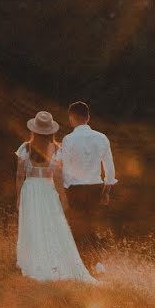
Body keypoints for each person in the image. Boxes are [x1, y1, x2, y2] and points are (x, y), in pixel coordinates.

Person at [15, 111, 97, 283]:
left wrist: (18, 196)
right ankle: (53, 262)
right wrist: (63, 198)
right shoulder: (57, 149)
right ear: (50, 131)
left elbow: (19, 175)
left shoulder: (25, 148)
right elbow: (58, 177)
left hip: (30, 189)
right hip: (48, 189)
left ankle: (34, 262)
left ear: (34, 130)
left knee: (33, 225)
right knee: (52, 226)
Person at [57, 101, 117, 262]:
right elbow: (109, 168)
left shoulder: (68, 139)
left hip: (75, 188)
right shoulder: (102, 138)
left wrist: (65, 188)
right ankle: (95, 262)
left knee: (77, 227)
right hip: (95, 188)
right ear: (88, 118)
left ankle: (81, 263)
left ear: (71, 119)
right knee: (91, 225)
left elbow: (65, 168)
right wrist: (106, 190)